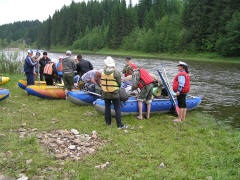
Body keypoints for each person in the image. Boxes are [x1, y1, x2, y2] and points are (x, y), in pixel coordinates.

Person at [101, 56, 127, 129]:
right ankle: (119, 125)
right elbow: (119, 83)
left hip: (105, 93)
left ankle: (108, 123)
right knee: (117, 108)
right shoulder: (116, 72)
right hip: (114, 93)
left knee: (107, 108)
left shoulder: (102, 72)